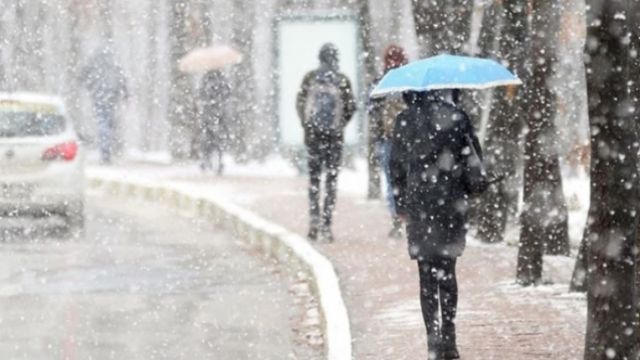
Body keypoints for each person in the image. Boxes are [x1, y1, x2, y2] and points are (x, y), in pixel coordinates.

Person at [390, 90, 483, 360]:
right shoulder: (456, 116)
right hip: (451, 203)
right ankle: (449, 336)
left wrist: (400, 205)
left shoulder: (405, 120)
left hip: (419, 204)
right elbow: (474, 157)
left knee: (426, 274)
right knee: (448, 271)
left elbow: (395, 165)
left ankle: (432, 340)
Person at [296, 43, 356, 242]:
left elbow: (300, 103)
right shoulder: (342, 80)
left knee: (314, 180)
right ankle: (327, 224)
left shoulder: (310, 78)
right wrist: (339, 125)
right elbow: (351, 106)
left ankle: (313, 220)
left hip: (313, 137)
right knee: (331, 180)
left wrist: (307, 125)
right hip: (334, 138)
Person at [368, 45, 409, 238]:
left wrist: (377, 136)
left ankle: (396, 219)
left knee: (392, 181)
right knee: (410, 180)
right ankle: (408, 217)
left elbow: (372, 110)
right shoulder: (411, 81)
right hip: (409, 140)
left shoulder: (380, 82)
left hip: (388, 140)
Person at [81, 45, 128, 164]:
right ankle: (109, 149)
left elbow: (84, 75)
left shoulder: (95, 60)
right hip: (111, 95)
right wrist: (125, 92)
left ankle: (105, 151)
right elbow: (121, 77)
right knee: (109, 123)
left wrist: (90, 87)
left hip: (99, 95)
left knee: (103, 122)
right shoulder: (113, 60)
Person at [197, 70, 230, 174]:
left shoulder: (206, 79)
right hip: (218, 114)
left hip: (211, 114)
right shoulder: (221, 79)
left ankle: (208, 161)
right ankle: (216, 162)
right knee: (216, 140)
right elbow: (227, 93)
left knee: (209, 139)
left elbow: (201, 94)